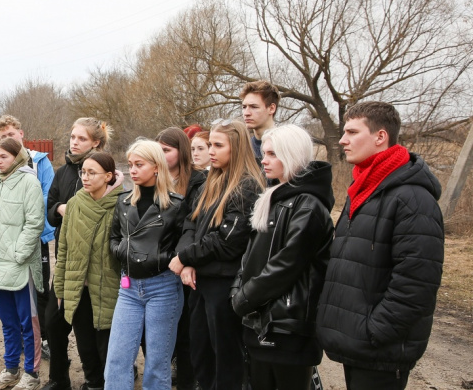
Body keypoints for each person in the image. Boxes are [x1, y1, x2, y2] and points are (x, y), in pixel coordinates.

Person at [316, 102, 444, 389]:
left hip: (380, 349)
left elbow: (417, 281)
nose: (343, 140)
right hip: (360, 344)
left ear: (380, 137)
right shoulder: (363, 189)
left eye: (351, 132)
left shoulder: (412, 199)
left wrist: (375, 331)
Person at [230, 125, 334, 390]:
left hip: (287, 326)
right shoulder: (273, 198)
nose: (264, 160)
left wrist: (244, 298)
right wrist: (237, 292)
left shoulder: (309, 206)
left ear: (292, 156)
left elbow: (287, 264)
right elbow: (250, 255)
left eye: (273, 154)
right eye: (264, 153)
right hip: (261, 322)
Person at [169, 118, 266, 390]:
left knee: (226, 358)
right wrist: (186, 260)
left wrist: (187, 258)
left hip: (223, 285)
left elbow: (227, 242)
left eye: (218, 145)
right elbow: (191, 222)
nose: (211, 150)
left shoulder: (246, 186)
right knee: (200, 353)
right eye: (210, 144)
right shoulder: (212, 180)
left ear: (236, 148)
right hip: (200, 279)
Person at [106, 140, 186, 390]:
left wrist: (159, 259)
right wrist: (124, 252)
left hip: (163, 287)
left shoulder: (177, 205)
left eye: (139, 164)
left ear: (156, 167)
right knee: (117, 360)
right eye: (130, 165)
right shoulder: (124, 202)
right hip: (128, 288)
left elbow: (184, 244)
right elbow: (114, 238)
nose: (133, 170)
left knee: (157, 363)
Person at [43, 117, 112, 390]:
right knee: (54, 322)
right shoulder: (63, 172)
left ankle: (99, 379)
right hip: (68, 259)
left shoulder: (105, 171)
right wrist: (61, 209)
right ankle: (58, 379)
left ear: (95, 142)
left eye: (81, 138)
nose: (74, 142)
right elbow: (49, 210)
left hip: (95, 267)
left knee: (93, 329)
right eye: (73, 136)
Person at [52, 151, 124, 390]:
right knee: (85, 348)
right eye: (84, 172)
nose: (85, 177)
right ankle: (92, 384)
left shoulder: (122, 205)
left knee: (108, 348)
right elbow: (63, 250)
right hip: (79, 289)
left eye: (92, 173)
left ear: (109, 176)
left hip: (108, 290)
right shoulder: (74, 204)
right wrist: (61, 288)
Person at [0, 115, 55, 360]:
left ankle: (43, 339)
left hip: (38, 237)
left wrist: (30, 228)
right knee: (12, 292)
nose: (8, 139)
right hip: (7, 241)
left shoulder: (40, 163)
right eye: (3, 136)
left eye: (11, 134)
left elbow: (48, 197)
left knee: (40, 291)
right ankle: (21, 347)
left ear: (21, 134)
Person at [0, 138, 45, 390]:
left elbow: (35, 223)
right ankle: (11, 370)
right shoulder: (0, 182)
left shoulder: (30, 182)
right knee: (7, 321)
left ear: (17, 157)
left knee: (27, 321)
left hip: (20, 265)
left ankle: (31, 374)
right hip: (0, 264)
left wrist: (19, 254)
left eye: (3, 157)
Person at [155, 127, 206, 390]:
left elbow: (193, 223)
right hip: (158, 264)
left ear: (181, 151)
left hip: (185, 263)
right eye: (159, 150)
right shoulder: (154, 179)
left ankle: (188, 379)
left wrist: (184, 257)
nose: (161, 156)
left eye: (167, 150)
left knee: (187, 330)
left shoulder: (198, 181)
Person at [240, 80, 280, 160]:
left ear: (271, 108)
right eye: (244, 107)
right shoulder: (242, 148)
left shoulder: (285, 146)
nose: (246, 113)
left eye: (254, 107)